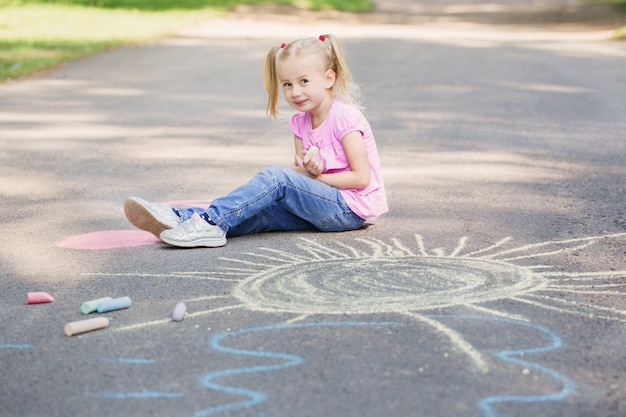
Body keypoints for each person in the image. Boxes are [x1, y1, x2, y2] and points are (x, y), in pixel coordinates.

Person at [124, 34, 388, 248]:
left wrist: (311, 178)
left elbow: (361, 178)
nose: (295, 92)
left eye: (304, 81)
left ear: (329, 78)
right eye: (287, 84)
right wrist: (308, 171)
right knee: (261, 210)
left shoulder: (345, 117)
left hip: (349, 210)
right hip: (324, 204)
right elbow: (303, 175)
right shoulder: (300, 123)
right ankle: (182, 219)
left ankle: (210, 221)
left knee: (277, 178)